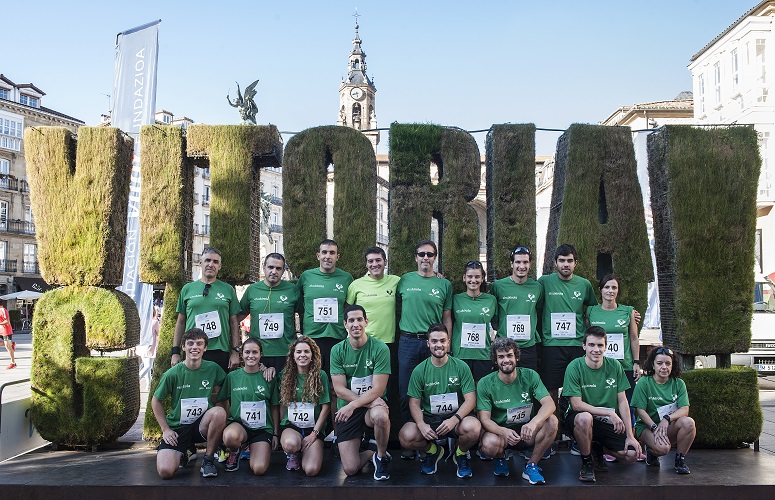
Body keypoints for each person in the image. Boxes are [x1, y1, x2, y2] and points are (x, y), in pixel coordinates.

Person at [398, 323, 481, 478]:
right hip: (430, 419)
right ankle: (433, 451)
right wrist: (421, 424)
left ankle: (460, 453)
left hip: (456, 418)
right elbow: (414, 403)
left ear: (448, 342)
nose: (439, 345)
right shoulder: (419, 370)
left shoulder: (461, 366)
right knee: (406, 436)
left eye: (442, 341)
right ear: (428, 343)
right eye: (434, 341)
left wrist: (454, 419)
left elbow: (470, 400)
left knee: (474, 428)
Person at [396, 240, 453, 458]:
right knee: (406, 393)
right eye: (422, 254)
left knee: (434, 391)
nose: (425, 258)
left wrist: (447, 344)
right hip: (408, 342)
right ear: (416, 257)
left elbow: (447, 317)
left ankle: (434, 438)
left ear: (435, 257)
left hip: (434, 343)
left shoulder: (444, 284)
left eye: (430, 254)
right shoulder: (404, 280)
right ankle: (410, 441)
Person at [562, 327, 641, 483]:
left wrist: (630, 436)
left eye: (600, 345)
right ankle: (587, 462)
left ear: (606, 347)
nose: (596, 350)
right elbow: (576, 405)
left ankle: (597, 447)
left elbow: (623, 401)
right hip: (580, 418)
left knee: (632, 454)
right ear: (584, 346)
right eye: (591, 345)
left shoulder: (614, 366)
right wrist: (609, 413)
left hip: (606, 422)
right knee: (585, 419)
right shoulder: (574, 366)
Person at [477, 338, 557, 484]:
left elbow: (549, 403)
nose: (506, 360)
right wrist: (503, 431)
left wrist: (534, 423)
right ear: (495, 360)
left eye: (509, 355)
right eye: (501, 357)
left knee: (552, 421)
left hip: (526, 431)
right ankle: (500, 459)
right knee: (489, 444)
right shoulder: (485, 383)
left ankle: (531, 465)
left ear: (517, 357)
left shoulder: (530, 375)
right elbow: (484, 419)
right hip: (501, 433)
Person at [151, 328, 227, 479]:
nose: (195, 347)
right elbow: (156, 401)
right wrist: (165, 429)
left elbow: (226, 391)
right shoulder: (172, 374)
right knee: (165, 472)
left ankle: (208, 460)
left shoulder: (213, 368)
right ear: (183, 347)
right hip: (178, 428)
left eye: (199, 344)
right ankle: (188, 451)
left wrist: (262, 369)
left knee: (219, 412)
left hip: (201, 426)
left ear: (205, 348)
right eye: (190, 343)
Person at [330, 305, 392, 480]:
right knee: (350, 469)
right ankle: (372, 451)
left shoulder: (380, 348)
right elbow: (339, 389)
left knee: (380, 416)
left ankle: (381, 457)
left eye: (359, 319)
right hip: (349, 408)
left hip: (370, 407)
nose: (355, 324)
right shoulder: (337, 350)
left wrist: (355, 404)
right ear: (345, 324)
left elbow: (378, 389)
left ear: (366, 322)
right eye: (351, 320)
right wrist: (358, 404)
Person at [587, 273, 641, 463]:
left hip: (624, 366)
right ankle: (607, 445)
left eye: (614, 287)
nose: (610, 291)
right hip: (600, 367)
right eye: (607, 287)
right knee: (607, 405)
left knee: (628, 405)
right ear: (600, 290)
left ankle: (631, 441)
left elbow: (633, 338)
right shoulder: (591, 311)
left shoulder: (628, 311)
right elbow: (588, 336)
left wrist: (636, 362)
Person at [537, 244, 597, 404]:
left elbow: (594, 310)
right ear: (555, 262)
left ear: (576, 263)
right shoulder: (544, 282)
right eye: (562, 260)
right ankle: (554, 420)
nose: (566, 264)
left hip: (577, 345)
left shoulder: (584, 284)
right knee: (550, 389)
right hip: (552, 345)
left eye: (569, 261)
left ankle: (575, 419)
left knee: (578, 389)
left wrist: (629, 313)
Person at [171, 248, 241, 373]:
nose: (211, 264)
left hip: (219, 350)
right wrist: (175, 351)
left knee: (219, 385)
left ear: (219, 266)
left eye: (215, 262)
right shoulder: (187, 289)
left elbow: (234, 322)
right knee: (192, 384)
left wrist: (235, 351)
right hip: (193, 349)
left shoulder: (228, 290)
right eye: (207, 260)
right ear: (200, 263)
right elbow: (181, 321)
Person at [218, 338, 279, 475]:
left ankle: (253, 448)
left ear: (261, 355)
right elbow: (223, 400)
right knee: (230, 436)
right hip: (240, 426)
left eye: (255, 352)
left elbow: (274, 406)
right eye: (247, 352)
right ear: (241, 355)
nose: (251, 356)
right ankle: (235, 451)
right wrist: (225, 424)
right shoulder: (232, 377)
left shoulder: (268, 377)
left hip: (262, 429)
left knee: (259, 469)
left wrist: (275, 433)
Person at [631, 347, 695, 474]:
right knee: (663, 449)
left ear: (672, 365)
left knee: (689, 423)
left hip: (667, 426)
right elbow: (640, 411)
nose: (664, 367)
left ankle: (680, 460)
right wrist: (654, 427)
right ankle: (651, 451)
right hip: (647, 427)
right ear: (653, 365)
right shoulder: (644, 382)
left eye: (668, 363)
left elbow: (684, 409)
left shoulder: (679, 383)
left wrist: (667, 419)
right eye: (659, 363)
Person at [297, 239, 353, 375]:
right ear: (318, 255)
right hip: (312, 337)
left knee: (336, 377)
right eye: (324, 252)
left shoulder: (346, 278)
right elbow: (298, 304)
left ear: (337, 257)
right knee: (313, 377)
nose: (328, 256)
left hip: (337, 336)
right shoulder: (306, 277)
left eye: (332, 253)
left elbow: (349, 307)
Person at [239, 253, 300, 375]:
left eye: (278, 268)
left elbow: (303, 314)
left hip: (285, 352)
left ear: (283, 271)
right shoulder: (252, 290)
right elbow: (237, 317)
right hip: (258, 353)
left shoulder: (292, 289)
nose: (274, 271)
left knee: (284, 386)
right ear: (264, 267)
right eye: (270, 267)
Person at [279, 336, 331, 476]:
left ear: (313, 355)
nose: (303, 355)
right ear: (293, 356)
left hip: (313, 429)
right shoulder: (285, 375)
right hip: (292, 427)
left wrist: (314, 433)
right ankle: (293, 453)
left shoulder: (321, 375)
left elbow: (326, 407)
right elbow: (281, 404)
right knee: (291, 444)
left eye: (307, 351)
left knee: (311, 470)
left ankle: (307, 450)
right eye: (298, 352)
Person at [490, 246, 544, 371]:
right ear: (511, 264)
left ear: (530, 264)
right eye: (518, 262)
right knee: (504, 380)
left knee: (529, 380)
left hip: (528, 346)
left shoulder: (537, 287)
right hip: (504, 346)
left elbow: (539, 311)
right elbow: (494, 315)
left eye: (525, 262)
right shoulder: (498, 286)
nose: (521, 266)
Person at [451, 260, 497, 382]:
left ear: (482, 279)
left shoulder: (491, 300)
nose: (473, 280)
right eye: (470, 276)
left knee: (481, 390)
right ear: (464, 278)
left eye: (477, 277)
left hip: (483, 355)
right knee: (461, 390)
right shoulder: (456, 299)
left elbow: (496, 323)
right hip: (461, 355)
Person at [346, 246, 400, 346]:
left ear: (385, 262)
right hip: (363, 339)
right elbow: (347, 310)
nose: (374, 264)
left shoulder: (396, 281)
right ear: (366, 264)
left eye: (378, 260)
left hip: (387, 341)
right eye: (370, 261)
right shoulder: (356, 285)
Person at [0, 300, 16, 369]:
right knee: (7, 345)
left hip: (6, 330)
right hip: (1, 329)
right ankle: (11, 344)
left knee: (8, 347)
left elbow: (7, 321)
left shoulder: (3, 310)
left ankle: (13, 363)